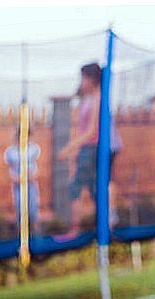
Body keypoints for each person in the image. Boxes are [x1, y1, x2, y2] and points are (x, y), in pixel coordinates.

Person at [58, 63, 122, 217]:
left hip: (105, 146)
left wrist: (70, 148)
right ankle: (106, 219)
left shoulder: (98, 98)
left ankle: (108, 218)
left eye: (84, 78)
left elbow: (92, 131)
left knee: (99, 182)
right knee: (99, 182)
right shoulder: (88, 97)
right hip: (96, 146)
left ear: (92, 79)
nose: (81, 82)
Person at [4, 126, 41, 234]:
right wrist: (16, 178)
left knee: (33, 208)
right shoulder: (10, 151)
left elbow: (38, 169)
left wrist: (32, 176)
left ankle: (37, 235)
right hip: (18, 185)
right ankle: (20, 235)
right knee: (19, 208)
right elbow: (8, 170)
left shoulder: (34, 149)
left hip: (31, 184)